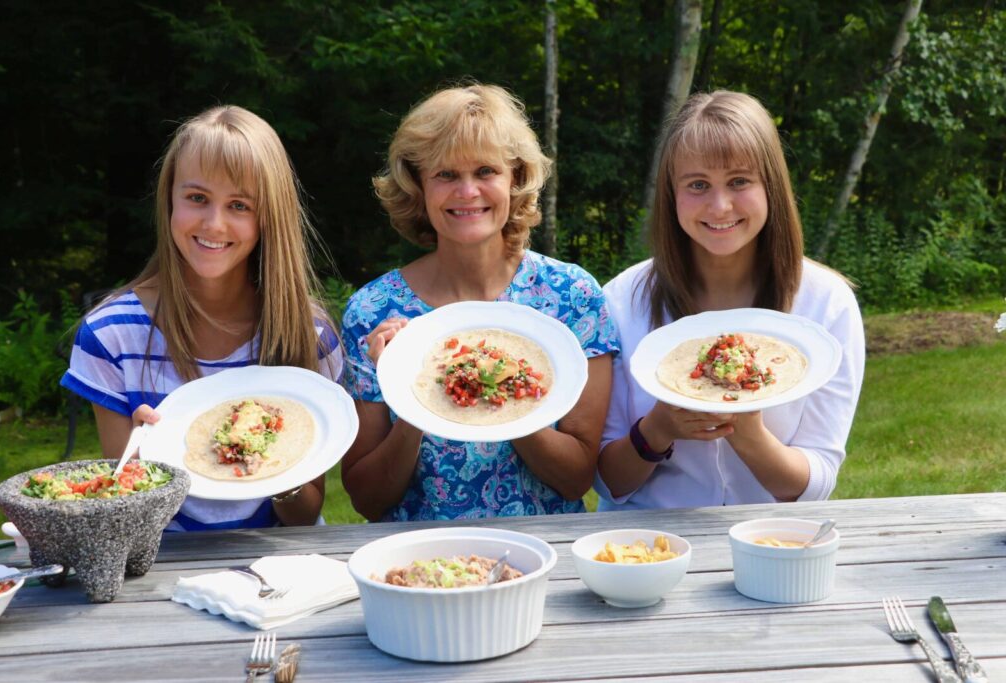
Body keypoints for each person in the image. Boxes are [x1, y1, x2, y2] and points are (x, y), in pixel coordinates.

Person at [341, 84, 619, 521]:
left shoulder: (572, 296)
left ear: (516, 179)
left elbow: (575, 478)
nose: (467, 192)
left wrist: (502, 387)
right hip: (419, 565)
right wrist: (411, 394)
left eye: (485, 171)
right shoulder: (374, 311)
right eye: (445, 174)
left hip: (541, 556)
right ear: (418, 186)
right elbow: (368, 501)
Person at [60, 105, 342, 530]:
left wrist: (282, 464)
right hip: (159, 568)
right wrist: (141, 464)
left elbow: (303, 518)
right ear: (169, 199)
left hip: (281, 569)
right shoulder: (111, 336)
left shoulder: (309, 335)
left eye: (239, 205)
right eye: (197, 198)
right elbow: (127, 520)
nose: (214, 223)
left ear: (269, 217)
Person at [595, 91, 865, 510]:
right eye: (697, 185)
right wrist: (658, 429)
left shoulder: (828, 304)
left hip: (770, 545)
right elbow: (605, 482)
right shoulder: (619, 301)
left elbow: (813, 486)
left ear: (770, 186)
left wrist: (749, 431)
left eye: (739, 181)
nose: (719, 206)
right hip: (646, 549)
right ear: (671, 194)